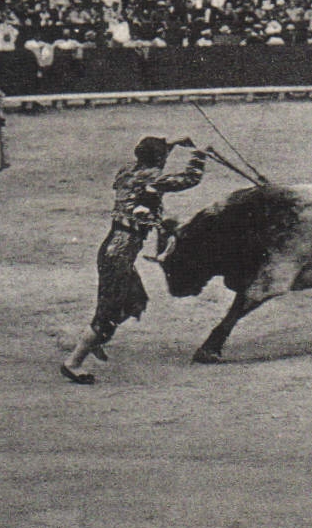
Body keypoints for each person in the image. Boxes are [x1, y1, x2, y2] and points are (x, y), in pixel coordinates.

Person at [60, 136, 208, 385]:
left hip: (113, 250)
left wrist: (171, 143)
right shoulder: (151, 177)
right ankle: (73, 362)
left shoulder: (129, 171)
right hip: (118, 256)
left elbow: (153, 163)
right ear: (158, 159)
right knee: (107, 314)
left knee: (135, 302)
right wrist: (199, 155)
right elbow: (189, 179)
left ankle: (97, 338)